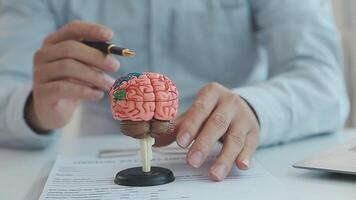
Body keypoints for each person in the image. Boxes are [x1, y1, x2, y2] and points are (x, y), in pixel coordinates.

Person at [0, 0, 349, 181]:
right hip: (98, 166)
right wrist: (33, 109)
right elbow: (6, 82)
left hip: (228, 159)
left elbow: (322, 81)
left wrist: (254, 108)